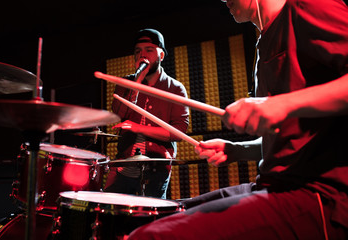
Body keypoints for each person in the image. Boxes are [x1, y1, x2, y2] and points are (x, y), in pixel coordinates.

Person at [128, 0, 348, 239]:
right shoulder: (263, 41)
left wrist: (283, 104)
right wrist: (236, 149)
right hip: (271, 184)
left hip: (321, 194)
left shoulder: (309, 6)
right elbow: (290, 138)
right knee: (158, 216)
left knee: (153, 236)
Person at [104, 28, 189, 199]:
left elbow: (179, 132)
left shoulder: (175, 88)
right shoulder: (125, 83)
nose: (142, 55)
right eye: (138, 51)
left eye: (149, 50)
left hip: (157, 166)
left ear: (161, 56)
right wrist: (137, 83)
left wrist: (138, 128)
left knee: (150, 216)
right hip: (125, 162)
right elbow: (119, 113)